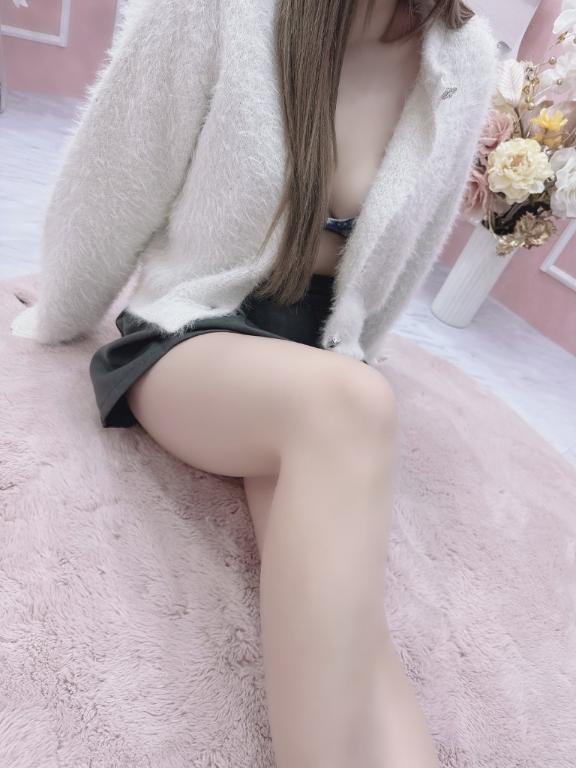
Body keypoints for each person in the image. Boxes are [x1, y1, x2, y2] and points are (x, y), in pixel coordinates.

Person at [10, 0, 500, 764]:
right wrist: (58, 315)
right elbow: (114, 180)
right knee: (350, 405)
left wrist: (354, 351)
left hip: (316, 368)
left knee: (349, 630)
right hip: (195, 328)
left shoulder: (465, 56)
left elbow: (410, 249)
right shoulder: (214, 9)